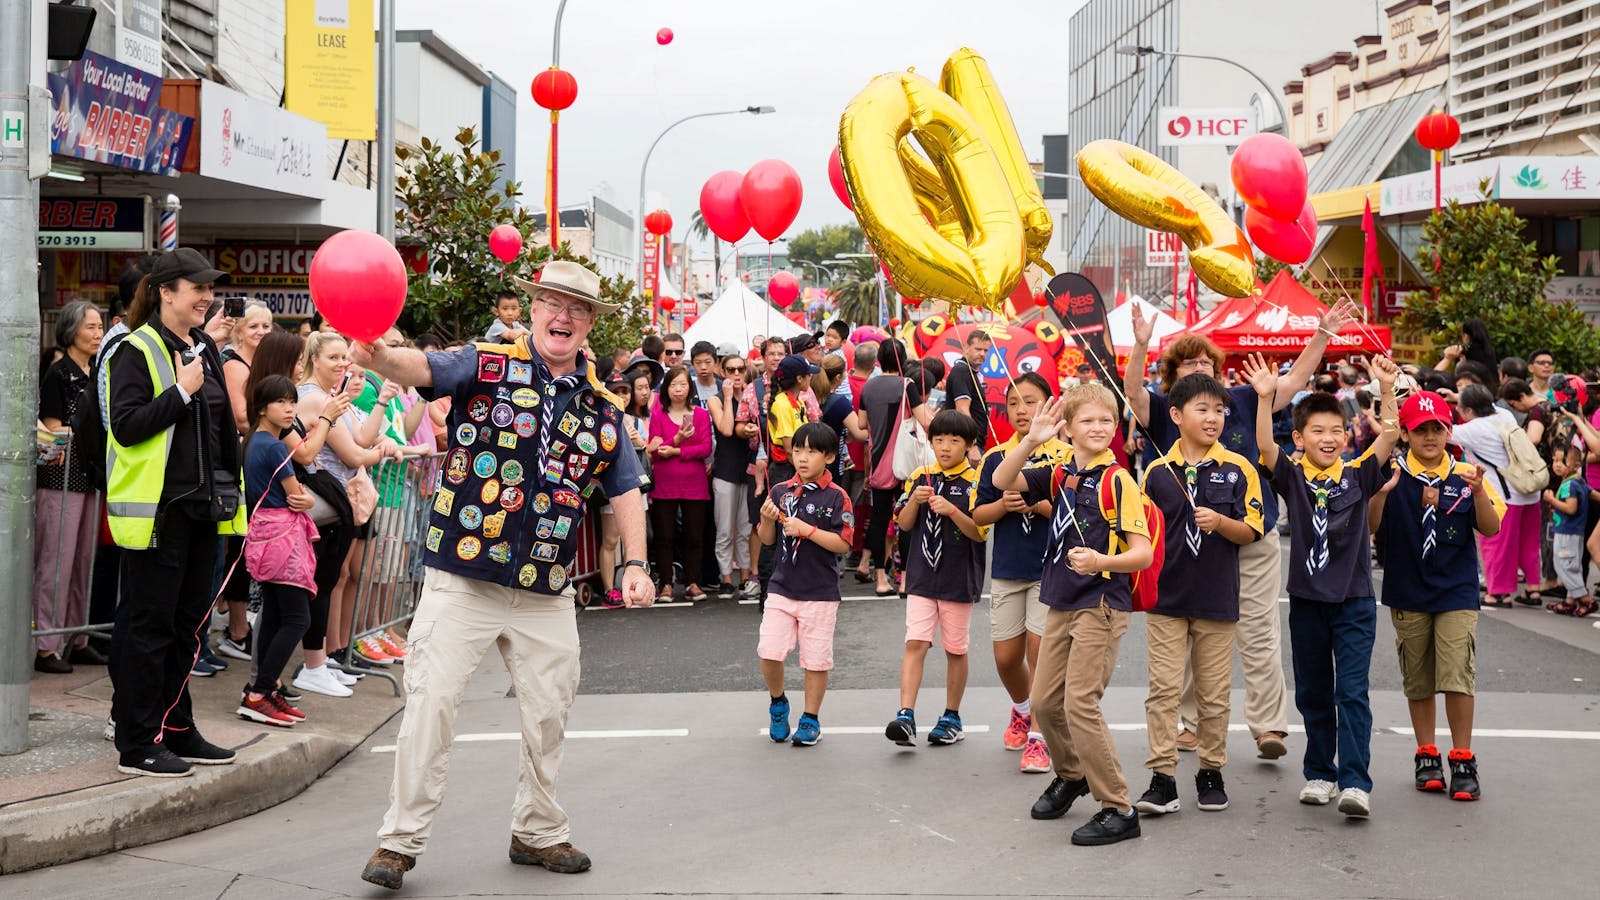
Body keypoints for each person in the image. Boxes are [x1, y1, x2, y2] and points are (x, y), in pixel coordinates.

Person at [355, 259, 652, 891]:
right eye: (552, 302)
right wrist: (379, 356)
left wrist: (636, 563)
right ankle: (398, 842)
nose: (562, 315)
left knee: (549, 712)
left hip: (546, 589)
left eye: (576, 307)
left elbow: (625, 488)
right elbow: (421, 370)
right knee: (430, 704)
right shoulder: (486, 362)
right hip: (463, 576)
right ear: (535, 308)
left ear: (590, 323)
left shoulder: (603, 406)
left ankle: (538, 830)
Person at [1124, 300, 1359, 762]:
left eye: (1208, 362)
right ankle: (1190, 725)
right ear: (1175, 374)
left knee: (1259, 629)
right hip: (1190, 544)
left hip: (1252, 532)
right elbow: (1132, 392)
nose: (1201, 368)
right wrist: (1140, 344)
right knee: (1190, 629)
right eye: (1191, 363)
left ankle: (1268, 725)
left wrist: (1322, 334)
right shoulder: (1169, 411)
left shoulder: (1248, 398)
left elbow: (1291, 384)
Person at [990, 383, 1153, 847]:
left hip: (1099, 604)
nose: (1099, 428)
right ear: (1069, 426)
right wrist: (1030, 440)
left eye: (1106, 420)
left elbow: (1141, 555)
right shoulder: (1061, 472)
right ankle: (1072, 773)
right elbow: (1003, 481)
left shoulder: (1117, 479)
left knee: (1080, 703)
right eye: (1088, 420)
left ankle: (1119, 805)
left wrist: (1102, 562)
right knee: (1043, 702)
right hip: (1061, 599)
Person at [104, 247, 245, 777]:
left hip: (205, 511)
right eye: (197, 288)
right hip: (160, 514)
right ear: (166, 292)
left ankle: (177, 727)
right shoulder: (135, 349)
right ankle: (138, 742)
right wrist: (182, 393)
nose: (207, 297)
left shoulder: (205, 344)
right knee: (150, 629)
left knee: (189, 628)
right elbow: (128, 425)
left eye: (210, 289)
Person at [1245, 350, 1401, 819]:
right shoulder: (1292, 476)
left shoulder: (1359, 473)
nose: (1329, 438)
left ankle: (1355, 781)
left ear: (1347, 435)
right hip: (1308, 601)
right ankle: (1320, 772)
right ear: (1300, 437)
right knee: (1312, 689)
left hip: (1353, 600)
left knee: (1351, 691)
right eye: (1317, 430)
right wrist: (1265, 398)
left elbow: (1390, 434)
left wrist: (1388, 390)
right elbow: (1264, 448)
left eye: (1336, 430)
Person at [1134, 374, 1265, 817]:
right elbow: (1140, 532)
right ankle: (1162, 777)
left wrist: (1221, 523)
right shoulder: (1155, 472)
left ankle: (1211, 770)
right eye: (1202, 409)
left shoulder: (1239, 468)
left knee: (1213, 694)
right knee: (1163, 691)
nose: (1213, 418)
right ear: (1176, 416)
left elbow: (1251, 530)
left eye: (1219, 410)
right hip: (1165, 599)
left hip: (1216, 598)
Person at [1368, 390, 1503, 803]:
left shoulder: (1466, 472)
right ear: (1405, 433)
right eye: (1421, 429)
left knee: (1458, 673)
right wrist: (1382, 493)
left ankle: (1463, 757)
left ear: (1448, 431)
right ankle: (1426, 753)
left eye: (1438, 428)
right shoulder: (1393, 473)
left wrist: (1479, 491)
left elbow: (1492, 527)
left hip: (1456, 589)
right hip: (1407, 588)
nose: (1430, 437)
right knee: (1418, 677)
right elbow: (1371, 527)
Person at [293, 333, 398, 698]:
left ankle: (322, 661)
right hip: (323, 505)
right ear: (313, 359)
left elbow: (363, 439)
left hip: (339, 504)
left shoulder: (333, 400)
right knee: (322, 585)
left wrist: (382, 404)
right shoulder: (313, 399)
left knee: (329, 582)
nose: (342, 364)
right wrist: (380, 453)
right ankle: (314, 664)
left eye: (344, 357)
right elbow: (354, 455)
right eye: (334, 357)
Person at [973, 372, 1064, 773]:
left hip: (1052, 569)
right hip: (1008, 569)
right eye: (1013, 403)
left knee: (1039, 653)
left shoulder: (1066, 455)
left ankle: (1040, 739)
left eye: (1030, 401)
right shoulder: (997, 457)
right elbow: (979, 515)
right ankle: (1022, 709)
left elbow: (1079, 513)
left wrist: (1038, 505)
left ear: (1049, 404)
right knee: (1006, 657)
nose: (1021, 409)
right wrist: (1004, 506)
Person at [886, 409, 988, 747]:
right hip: (921, 575)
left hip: (959, 577)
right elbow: (902, 524)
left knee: (955, 648)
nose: (945, 447)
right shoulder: (920, 475)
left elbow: (980, 533)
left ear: (969, 445)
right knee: (915, 642)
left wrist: (953, 511)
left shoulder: (977, 480)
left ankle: (951, 716)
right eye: (939, 440)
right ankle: (905, 714)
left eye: (954, 441)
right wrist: (914, 503)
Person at [756, 422, 854, 747]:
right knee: (769, 652)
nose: (802, 457)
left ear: (828, 456)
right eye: (798, 450)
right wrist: (767, 520)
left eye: (811, 451)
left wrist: (807, 530)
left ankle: (810, 719)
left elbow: (843, 543)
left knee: (815, 660)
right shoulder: (780, 491)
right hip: (782, 587)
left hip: (820, 593)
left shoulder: (837, 496)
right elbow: (767, 540)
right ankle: (778, 702)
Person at [237, 375, 319, 727]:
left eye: (292, 402)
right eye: (281, 402)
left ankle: (262, 689)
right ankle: (261, 691)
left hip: (264, 534)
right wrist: (308, 498)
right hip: (282, 536)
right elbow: (297, 495)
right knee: (297, 619)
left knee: (272, 613)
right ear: (261, 408)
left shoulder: (254, 442)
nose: (289, 409)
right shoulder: (272, 446)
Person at [32, 300, 106, 674]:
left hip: (90, 478)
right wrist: (82, 434)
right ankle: (46, 645)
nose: (97, 334)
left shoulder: (98, 372)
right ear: (71, 330)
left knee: (81, 564)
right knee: (54, 563)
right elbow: (51, 428)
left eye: (99, 327)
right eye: (90, 327)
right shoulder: (58, 374)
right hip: (60, 480)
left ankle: (77, 638)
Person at [1453, 383, 1542, 608]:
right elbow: (1486, 404)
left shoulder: (1473, 430)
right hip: (1530, 491)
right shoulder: (1505, 415)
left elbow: (1442, 432)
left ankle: (1499, 593)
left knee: (1496, 544)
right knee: (1528, 544)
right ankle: (1533, 590)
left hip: (1505, 497)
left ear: (1469, 411)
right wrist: (1460, 396)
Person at [858, 340, 932, 596]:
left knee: (879, 520)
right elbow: (925, 420)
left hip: (878, 464)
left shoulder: (869, 386)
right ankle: (905, 581)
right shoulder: (906, 386)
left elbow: (860, 424)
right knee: (907, 520)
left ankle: (880, 579)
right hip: (905, 465)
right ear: (901, 359)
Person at [648, 366, 713, 601]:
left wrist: (675, 450)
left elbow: (705, 448)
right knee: (664, 537)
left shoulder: (701, 414)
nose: (678, 389)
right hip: (665, 484)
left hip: (695, 484)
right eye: (674, 384)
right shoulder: (658, 415)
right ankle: (666, 583)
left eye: (683, 384)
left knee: (694, 536)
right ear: (666, 388)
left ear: (690, 387)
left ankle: (693, 582)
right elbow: (655, 452)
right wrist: (677, 440)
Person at [710, 349, 756, 600]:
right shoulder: (717, 399)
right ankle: (726, 576)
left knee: (746, 528)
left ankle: (747, 575)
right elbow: (727, 429)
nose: (737, 374)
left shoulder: (752, 396)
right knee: (725, 528)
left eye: (741, 369)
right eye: (731, 370)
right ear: (722, 372)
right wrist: (729, 397)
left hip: (747, 470)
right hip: (726, 470)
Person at [1545, 454, 1594, 616]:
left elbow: (1570, 508)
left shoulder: (1570, 485)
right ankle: (1570, 601)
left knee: (1564, 566)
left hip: (1567, 532)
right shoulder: (1579, 481)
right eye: (1555, 460)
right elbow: (1593, 494)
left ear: (1576, 464)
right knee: (1572, 566)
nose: (1557, 465)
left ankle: (1586, 600)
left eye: (1563, 461)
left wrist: (1551, 500)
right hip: (1574, 533)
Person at [946, 328, 993, 461]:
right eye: (978, 349)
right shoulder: (962, 371)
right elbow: (962, 409)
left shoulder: (969, 372)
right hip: (967, 446)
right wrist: (972, 445)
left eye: (985, 350)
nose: (982, 354)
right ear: (966, 348)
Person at [1438, 318, 1498, 390]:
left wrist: (1448, 357)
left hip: (1472, 392)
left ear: (1466, 336)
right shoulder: (1490, 351)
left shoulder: (1464, 352)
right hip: (1492, 390)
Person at [688, 341, 721, 408]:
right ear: (692, 364)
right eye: (698, 362)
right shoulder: (688, 389)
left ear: (716, 362)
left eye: (707, 362)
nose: (703, 367)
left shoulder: (723, 388)